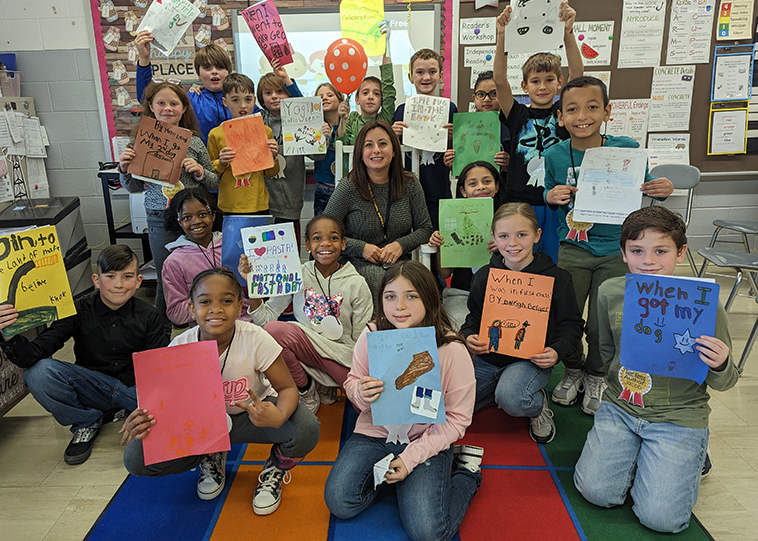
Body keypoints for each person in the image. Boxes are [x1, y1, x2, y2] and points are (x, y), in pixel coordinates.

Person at [574, 206, 738, 533]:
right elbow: (606, 352)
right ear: (623, 254)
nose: (648, 261)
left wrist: (720, 362)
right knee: (596, 491)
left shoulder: (705, 302)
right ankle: (640, 456)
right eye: (637, 251)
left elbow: (727, 380)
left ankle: (691, 454)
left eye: (661, 251)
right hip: (621, 407)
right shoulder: (610, 292)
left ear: (681, 253)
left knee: (661, 519)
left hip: (678, 415)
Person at [121, 267, 321, 513]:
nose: (215, 309)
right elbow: (165, 405)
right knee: (136, 458)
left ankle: (276, 468)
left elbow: (288, 387)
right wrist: (144, 419)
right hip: (201, 426)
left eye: (226, 301)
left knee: (307, 428)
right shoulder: (178, 348)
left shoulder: (256, 338)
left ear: (239, 307)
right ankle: (210, 455)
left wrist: (278, 415)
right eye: (205, 302)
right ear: (192, 309)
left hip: (250, 417)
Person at [544, 76, 674, 416]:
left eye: (591, 107)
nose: (581, 115)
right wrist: (550, 195)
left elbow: (643, 189)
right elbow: (548, 193)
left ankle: (597, 374)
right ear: (560, 116)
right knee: (566, 313)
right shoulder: (556, 155)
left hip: (618, 250)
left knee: (605, 319)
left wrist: (660, 187)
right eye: (571, 109)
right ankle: (573, 368)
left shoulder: (627, 149)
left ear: (607, 111)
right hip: (573, 247)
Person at [324, 261, 482, 541]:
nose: (399, 306)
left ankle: (468, 474)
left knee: (428, 533)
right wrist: (360, 392)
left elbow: (458, 420)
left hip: (426, 436)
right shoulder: (373, 334)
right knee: (340, 502)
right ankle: (396, 478)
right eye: (390, 296)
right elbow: (352, 381)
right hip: (376, 433)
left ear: (430, 298)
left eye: (411, 296)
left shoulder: (452, 349)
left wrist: (410, 460)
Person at [0, 245, 168, 465]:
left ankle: (120, 411)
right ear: (96, 279)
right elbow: (32, 356)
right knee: (37, 373)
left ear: (139, 281)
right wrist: (7, 333)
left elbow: (160, 369)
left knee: (170, 411)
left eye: (127, 276)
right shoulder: (77, 310)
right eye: (110, 276)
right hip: (92, 388)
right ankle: (86, 422)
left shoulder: (150, 315)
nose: (119, 284)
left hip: (134, 392)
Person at [460, 203, 583, 444]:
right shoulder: (484, 276)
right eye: (504, 236)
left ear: (537, 236)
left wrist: (556, 351)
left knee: (512, 399)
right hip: (489, 357)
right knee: (452, 402)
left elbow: (572, 325)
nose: (513, 243)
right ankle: (498, 392)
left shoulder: (557, 278)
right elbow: (473, 317)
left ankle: (536, 405)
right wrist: (468, 335)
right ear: (494, 238)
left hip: (530, 360)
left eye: (522, 235)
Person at [240, 215, 373, 413]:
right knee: (274, 330)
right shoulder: (297, 274)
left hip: (341, 355)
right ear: (308, 245)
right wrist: (252, 284)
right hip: (307, 350)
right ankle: (305, 389)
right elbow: (266, 320)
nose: (326, 243)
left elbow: (363, 338)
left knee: (367, 407)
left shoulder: (357, 283)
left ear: (343, 244)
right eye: (317, 238)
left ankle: (327, 385)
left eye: (334, 238)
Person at [118, 81, 219, 326]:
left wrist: (199, 172)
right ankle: (164, 329)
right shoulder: (141, 142)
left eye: (174, 103)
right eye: (161, 103)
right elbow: (133, 188)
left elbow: (214, 181)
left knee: (200, 269)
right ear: (151, 107)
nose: (167, 108)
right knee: (167, 275)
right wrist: (123, 169)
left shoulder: (194, 142)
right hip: (159, 217)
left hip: (194, 218)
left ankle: (203, 322)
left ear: (184, 108)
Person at [493, 0, 583, 262]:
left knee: (554, 261)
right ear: (525, 85)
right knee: (519, 260)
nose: (542, 86)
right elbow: (500, 81)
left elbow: (578, 76)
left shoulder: (564, 113)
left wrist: (567, 33)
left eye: (549, 80)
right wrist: (502, 36)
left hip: (556, 202)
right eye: (535, 81)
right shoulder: (517, 113)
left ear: (559, 83)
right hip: (520, 202)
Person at [324, 120, 432, 298]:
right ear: (360, 153)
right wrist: (361, 248)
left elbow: (425, 229)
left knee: (417, 284)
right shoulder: (348, 187)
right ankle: (378, 326)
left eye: (383, 144)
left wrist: (400, 245)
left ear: (394, 150)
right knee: (380, 280)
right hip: (356, 261)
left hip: (398, 262)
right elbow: (325, 232)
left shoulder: (410, 184)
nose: (376, 150)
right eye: (369, 145)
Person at [428, 161, 503, 329]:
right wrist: (441, 246)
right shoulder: (453, 221)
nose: (481, 187)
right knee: (456, 327)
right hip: (462, 293)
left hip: (501, 295)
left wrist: (505, 248)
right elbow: (444, 272)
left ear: (497, 186)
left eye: (487, 181)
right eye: (472, 183)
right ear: (463, 191)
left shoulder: (508, 218)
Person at [392, 48, 457, 229]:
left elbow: (458, 152)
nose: (426, 77)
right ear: (411, 76)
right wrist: (393, 135)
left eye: (432, 72)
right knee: (409, 238)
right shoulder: (401, 110)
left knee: (439, 239)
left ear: (441, 75)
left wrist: (453, 137)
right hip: (406, 190)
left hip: (439, 187)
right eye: (420, 72)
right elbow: (392, 151)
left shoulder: (450, 109)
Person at [134, 32, 233, 143]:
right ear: (199, 74)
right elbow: (146, 97)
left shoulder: (241, 99)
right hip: (198, 159)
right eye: (207, 67)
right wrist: (144, 59)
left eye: (220, 67)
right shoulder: (191, 100)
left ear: (229, 72)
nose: (214, 72)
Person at [207, 73, 280, 214]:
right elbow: (211, 174)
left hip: (259, 204)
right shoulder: (216, 134)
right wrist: (221, 163)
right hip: (229, 205)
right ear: (225, 102)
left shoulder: (265, 131)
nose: (243, 105)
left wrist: (273, 156)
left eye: (248, 99)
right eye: (235, 100)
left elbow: (271, 173)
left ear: (254, 100)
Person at [257, 60, 305, 241]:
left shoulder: (299, 120)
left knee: (289, 250)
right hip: (262, 203)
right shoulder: (256, 121)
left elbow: (317, 155)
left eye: (280, 91)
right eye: (268, 93)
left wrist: (286, 79)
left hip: (290, 201)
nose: (274, 97)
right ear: (261, 99)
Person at [161, 188, 222, 326]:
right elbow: (176, 313)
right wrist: (208, 302)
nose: (196, 222)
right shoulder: (174, 262)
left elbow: (250, 296)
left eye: (202, 214)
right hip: (206, 331)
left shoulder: (232, 246)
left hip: (243, 324)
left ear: (212, 215)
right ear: (179, 222)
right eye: (187, 218)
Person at [443, 71, 510, 177]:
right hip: (470, 187)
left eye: (494, 94)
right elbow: (460, 167)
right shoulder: (463, 127)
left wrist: (508, 165)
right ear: (474, 98)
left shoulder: (511, 125)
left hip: (502, 187)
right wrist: (452, 162)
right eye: (481, 94)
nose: (487, 99)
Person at [338, 25, 395, 145]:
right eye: (365, 93)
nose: (370, 97)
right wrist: (343, 119)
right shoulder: (352, 120)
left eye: (376, 93)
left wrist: (386, 45)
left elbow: (388, 85)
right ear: (357, 99)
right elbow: (340, 145)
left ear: (382, 99)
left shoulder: (384, 120)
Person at [313, 82, 348, 215]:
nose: (325, 98)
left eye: (330, 95)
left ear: (340, 100)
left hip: (345, 189)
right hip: (323, 189)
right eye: (320, 97)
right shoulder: (315, 128)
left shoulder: (349, 125)